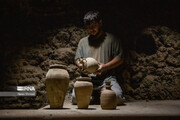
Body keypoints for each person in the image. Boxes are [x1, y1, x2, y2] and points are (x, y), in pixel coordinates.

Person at [72, 10, 124, 105]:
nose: (91, 29)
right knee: (76, 99)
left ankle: (96, 97)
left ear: (100, 23)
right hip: (87, 80)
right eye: (88, 27)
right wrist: (82, 66)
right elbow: (77, 59)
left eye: (93, 26)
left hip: (107, 79)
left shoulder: (112, 39)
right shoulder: (82, 42)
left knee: (116, 98)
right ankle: (97, 97)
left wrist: (105, 67)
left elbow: (120, 58)